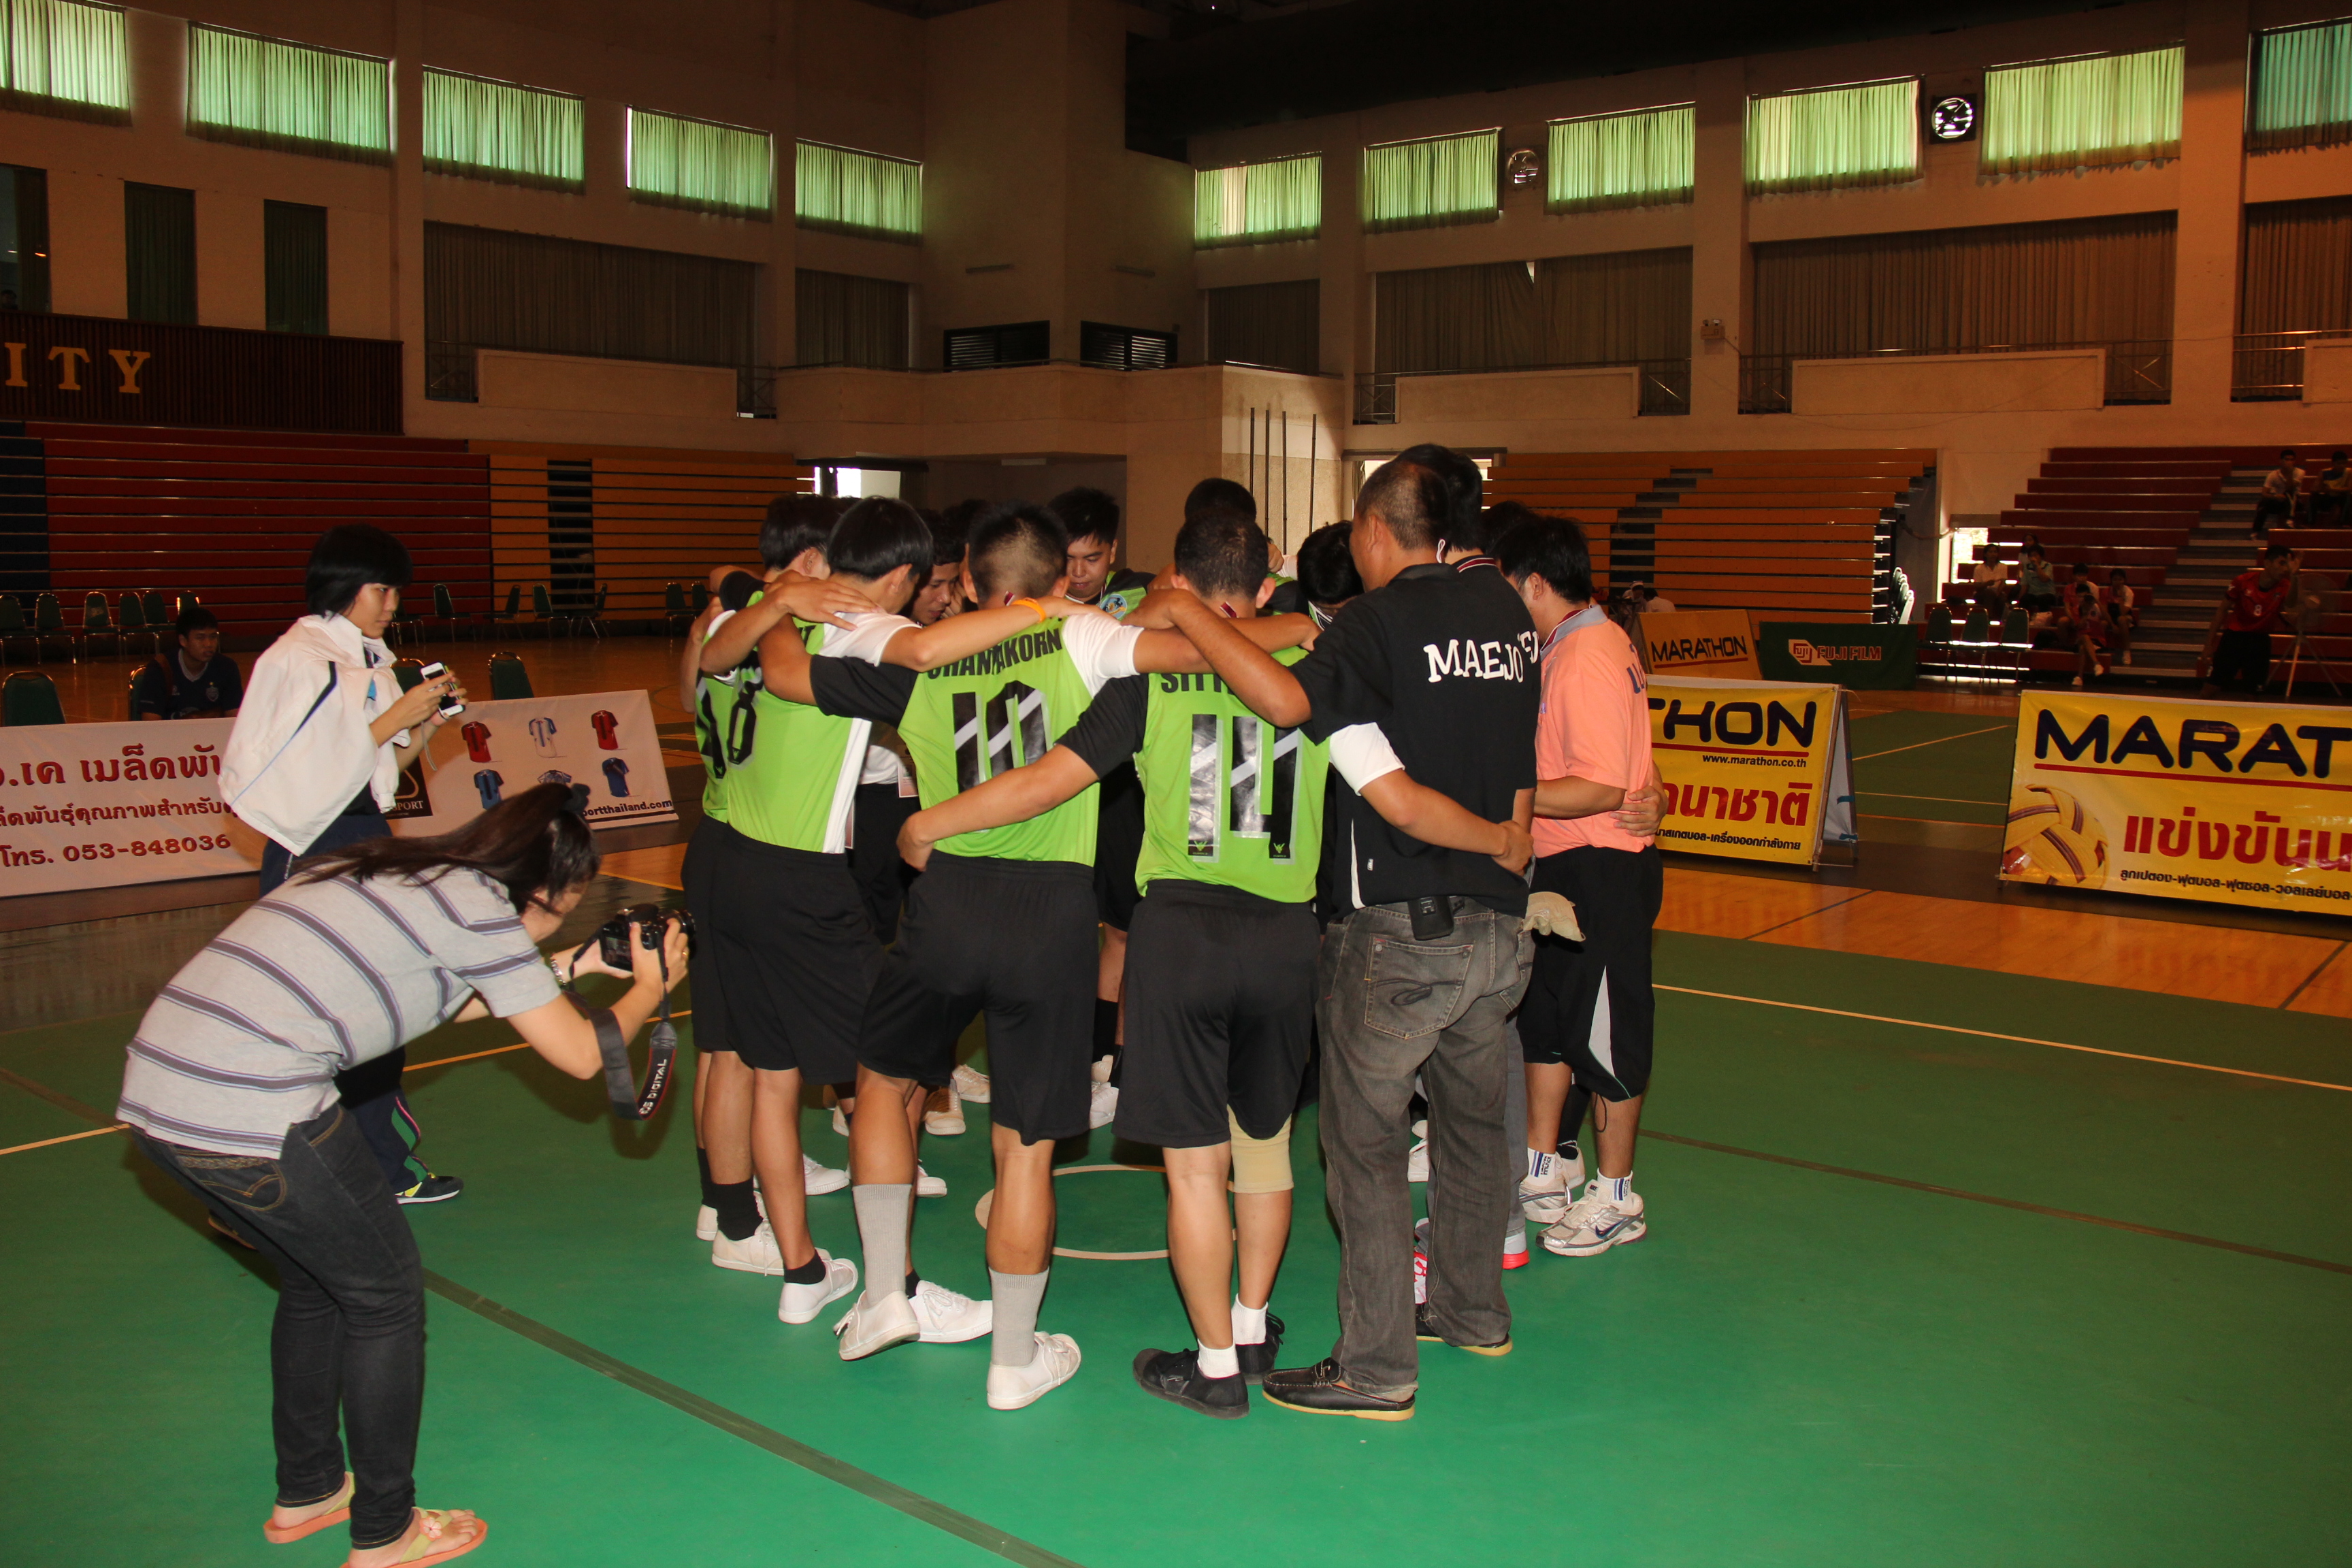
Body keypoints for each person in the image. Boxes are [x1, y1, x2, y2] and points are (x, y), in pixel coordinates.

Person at [895, 508, 1529, 1418]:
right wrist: (1502, 841)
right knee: (1263, 1147)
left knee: (1194, 1167)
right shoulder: (1313, 674)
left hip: (1180, 937)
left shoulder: (1149, 680)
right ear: (1266, 586)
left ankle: (1218, 1365)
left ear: (1178, 585)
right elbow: (1399, 798)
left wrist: (931, 825)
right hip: (1284, 940)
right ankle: (1254, 1320)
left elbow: (1050, 780)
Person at [755, 502, 1311, 1411]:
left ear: (967, 583)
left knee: (882, 1081)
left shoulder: (912, 655)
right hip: (1052, 917)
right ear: (1059, 582)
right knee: (1024, 1149)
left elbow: (780, 674)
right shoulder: (1088, 641)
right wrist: (1294, 625)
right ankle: (1014, 1362)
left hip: (948, 901)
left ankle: (886, 1291)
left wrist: (778, 599)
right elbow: (1203, 654)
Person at [117, 785, 691, 1568]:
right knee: (385, 1300)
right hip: (254, 1111)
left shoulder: (392, 871)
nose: (558, 925)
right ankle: (385, 1532)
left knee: (317, 1284)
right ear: (543, 890)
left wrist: (573, 966)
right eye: (564, 911)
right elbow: (584, 1056)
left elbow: (418, 1001)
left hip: (161, 1104)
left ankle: (311, 1489)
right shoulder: (481, 911)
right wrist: (654, 986)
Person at [1163, 456, 1539, 1420]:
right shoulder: (1504, 611)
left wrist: (1194, 615)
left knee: (1365, 1147)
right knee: (1469, 1129)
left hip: (1404, 928)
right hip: (1500, 922)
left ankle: (1374, 1366)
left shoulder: (1378, 621)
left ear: (1374, 530)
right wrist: (1510, 848)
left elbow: (1285, 703)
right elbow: (1520, 754)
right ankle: (1471, 1311)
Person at [697, 500, 1097, 1323]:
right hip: (801, 876)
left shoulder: (749, 618)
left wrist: (767, 596)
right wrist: (1043, 610)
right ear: (903, 577)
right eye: (927, 584)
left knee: (764, 1068)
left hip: (721, 851)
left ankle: (771, 1249)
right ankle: (896, 1287)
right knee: (891, 1074)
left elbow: (712, 659)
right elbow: (919, 650)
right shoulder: (865, 631)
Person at [222, 525, 468, 1205]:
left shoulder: (367, 661)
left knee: (379, 1008)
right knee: (307, 1016)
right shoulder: (297, 660)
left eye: (396, 592)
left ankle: (384, 1169)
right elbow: (298, 771)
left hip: (364, 836)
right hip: (311, 845)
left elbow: (374, 770)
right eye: (382, 589)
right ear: (345, 587)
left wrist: (425, 723)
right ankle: (274, 1168)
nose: (393, 604)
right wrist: (395, 716)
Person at [1491, 512, 1665, 1260]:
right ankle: (1544, 1167)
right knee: (1549, 1023)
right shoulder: (1572, 643)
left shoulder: (1587, 653)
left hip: (1602, 867)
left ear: (1535, 583)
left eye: (1506, 585)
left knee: (1606, 1034)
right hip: (1563, 866)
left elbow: (1600, 785)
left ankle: (1617, 1196)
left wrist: (1505, 798)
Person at [1049, 485, 1156, 1097]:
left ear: (1112, 551)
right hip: (1052, 781)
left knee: (1124, 927)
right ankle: (1069, 1047)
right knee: (1065, 926)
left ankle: (1107, 1057)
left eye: (1091, 558)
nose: (1079, 572)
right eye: (1068, 559)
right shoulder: (1033, 608)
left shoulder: (1144, 596)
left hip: (1119, 787)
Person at [2202, 544, 2297, 698]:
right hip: (2234, 639)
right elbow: (2222, 610)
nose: (2286, 569)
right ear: (2267, 563)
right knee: (2210, 689)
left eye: (2289, 565)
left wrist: (2294, 575)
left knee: (2253, 694)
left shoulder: (2286, 585)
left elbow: (2292, 604)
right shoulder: (2243, 581)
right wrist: (2208, 645)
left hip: (2259, 642)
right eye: (2282, 563)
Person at [134, 606, 243, 719]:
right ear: (183, 641)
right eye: (200, 638)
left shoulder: (226, 667)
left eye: (213, 637)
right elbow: (151, 721)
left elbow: (234, 718)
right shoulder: (160, 667)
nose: (209, 644)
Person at [2252, 450, 2304, 538]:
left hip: (2295, 503)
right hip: (2280, 502)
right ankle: (2256, 531)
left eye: (2292, 460)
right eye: (2287, 459)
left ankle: (2289, 520)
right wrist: (2275, 497)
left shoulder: (2299, 472)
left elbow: (2290, 487)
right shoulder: (2273, 475)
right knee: (2263, 504)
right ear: (2281, 461)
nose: (2289, 462)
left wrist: (2290, 472)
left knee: (2290, 493)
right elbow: (2264, 493)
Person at [2102, 568, 2138, 667]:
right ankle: (2101, 649)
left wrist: (2120, 597)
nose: (2117, 582)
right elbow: (2104, 612)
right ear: (2111, 580)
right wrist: (2112, 625)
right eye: (2115, 579)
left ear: (2124, 580)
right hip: (2111, 617)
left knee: (2121, 620)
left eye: (2120, 580)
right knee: (2102, 624)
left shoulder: (2128, 592)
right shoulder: (2106, 591)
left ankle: (2127, 652)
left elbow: (2123, 612)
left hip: (2126, 617)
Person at [2313, 451, 2350, 530]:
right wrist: (2324, 489)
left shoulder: (2349, 472)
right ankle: (2310, 522)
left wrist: (2333, 489)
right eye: (2339, 463)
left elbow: (2350, 488)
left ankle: (2344, 522)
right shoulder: (2324, 472)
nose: (2342, 466)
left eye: (2344, 463)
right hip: (2328, 497)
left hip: (2341, 497)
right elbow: (2314, 489)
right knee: (2313, 497)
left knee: (2348, 497)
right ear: (2333, 463)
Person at [2017, 545, 2059, 611]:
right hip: (2033, 594)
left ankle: (2044, 617)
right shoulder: (2027, 567)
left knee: (2043, 599)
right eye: (2031, 556)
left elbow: (2044, 579)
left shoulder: (2048, 566)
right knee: (2025, 598)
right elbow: (2024, 586)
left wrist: (2037, 566)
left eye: (2035, 555)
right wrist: (2019, 600)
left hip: (2048, 594)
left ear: (2041, 556)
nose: (2033, 558)